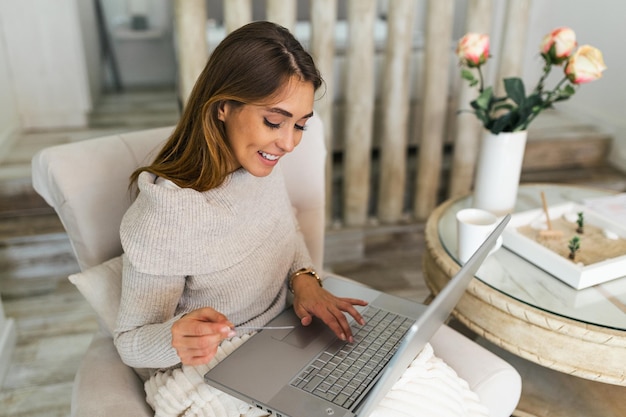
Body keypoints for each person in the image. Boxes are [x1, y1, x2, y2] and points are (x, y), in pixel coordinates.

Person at [112, 21, 368, 415]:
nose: (288, 142)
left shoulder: (259, 163)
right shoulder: (166, 213)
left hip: (285, 337)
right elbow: (130, 340)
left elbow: (286, 231)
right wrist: (176, 338)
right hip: (211, 371)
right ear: (223, 107)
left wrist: (305, 279)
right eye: (274, 121)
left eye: (300, 125)